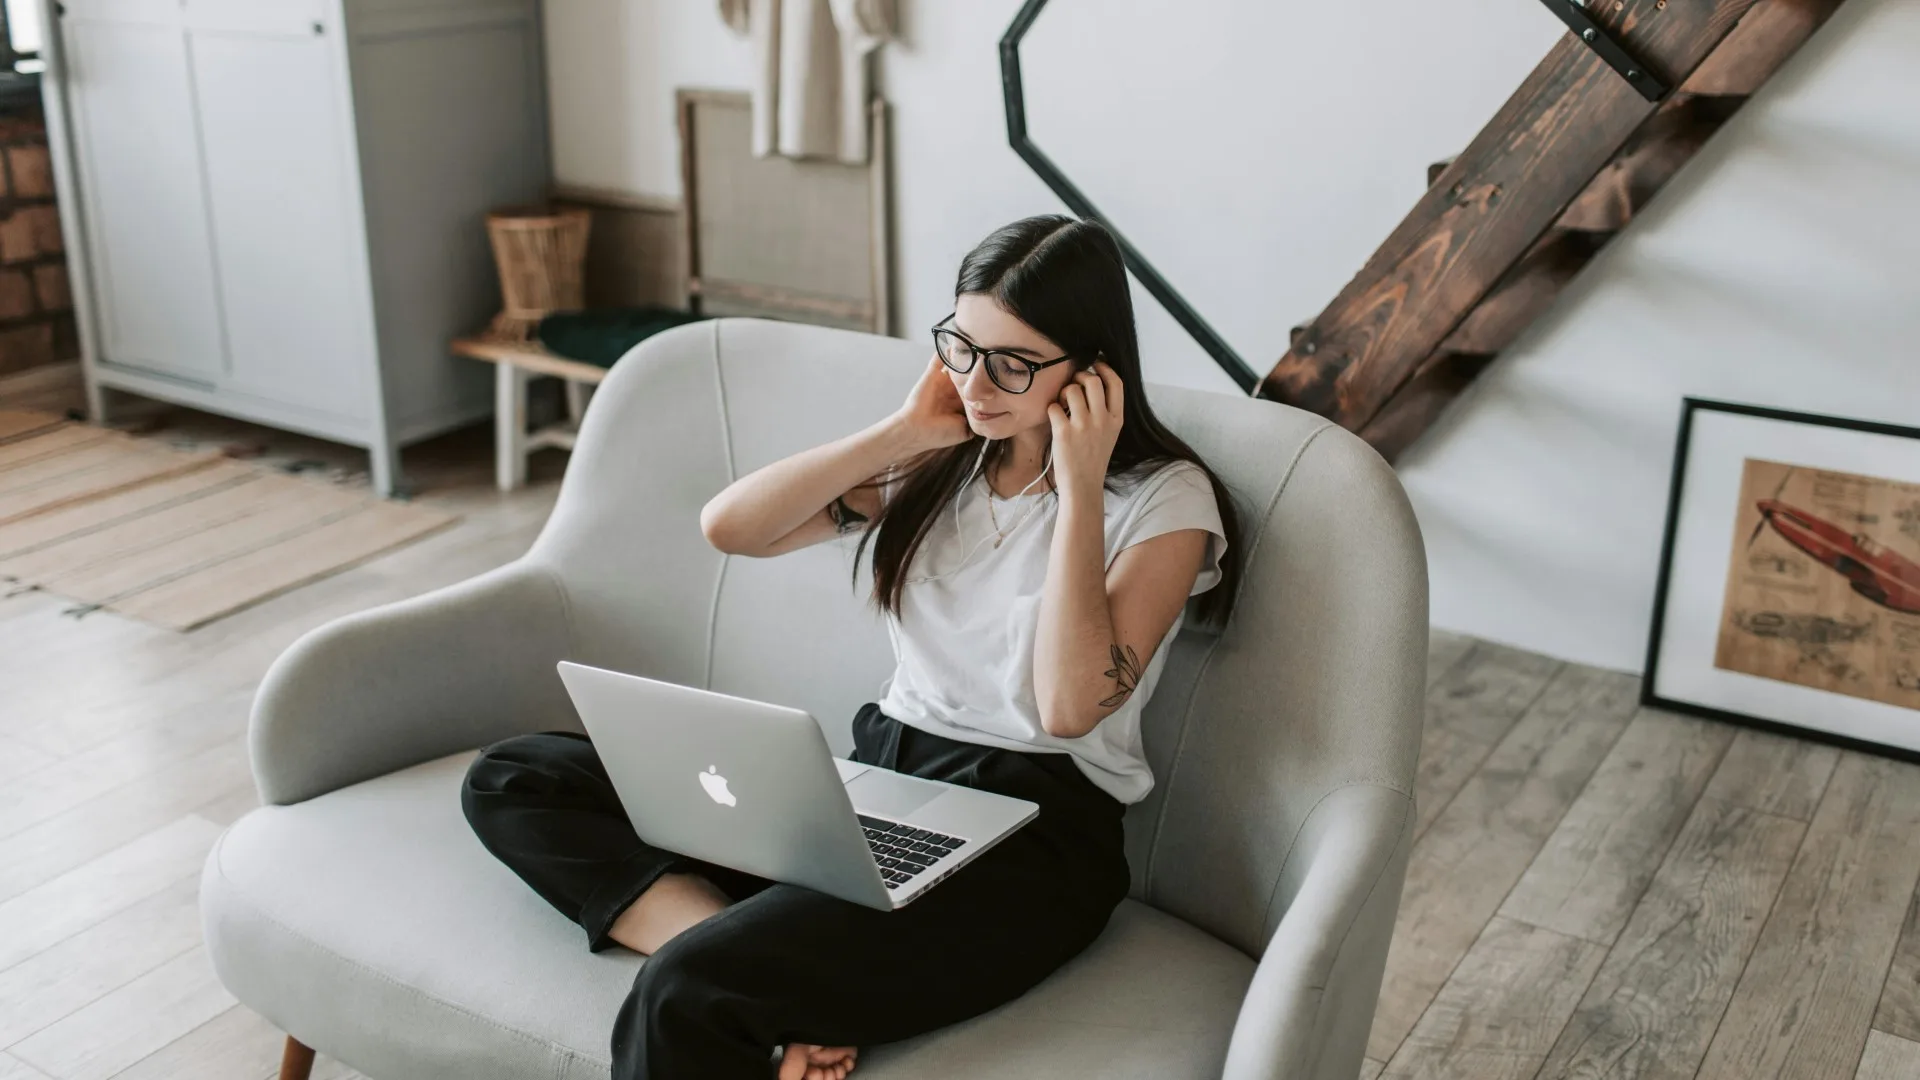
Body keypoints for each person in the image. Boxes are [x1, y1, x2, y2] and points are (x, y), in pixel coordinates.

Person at [461, 214, 1245, 1080]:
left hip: (1033, 843)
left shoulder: (1165, 501)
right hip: (877, 789)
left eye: (1013, 363)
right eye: (960, 345)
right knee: (514, 775)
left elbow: (1066, 707)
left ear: (1092, 372)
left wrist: (1081, 481)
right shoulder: (944, 462)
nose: (977, 384)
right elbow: (732, 529)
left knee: (685, 993)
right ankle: (745, 966)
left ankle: (735, 974)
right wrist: (902, 433)